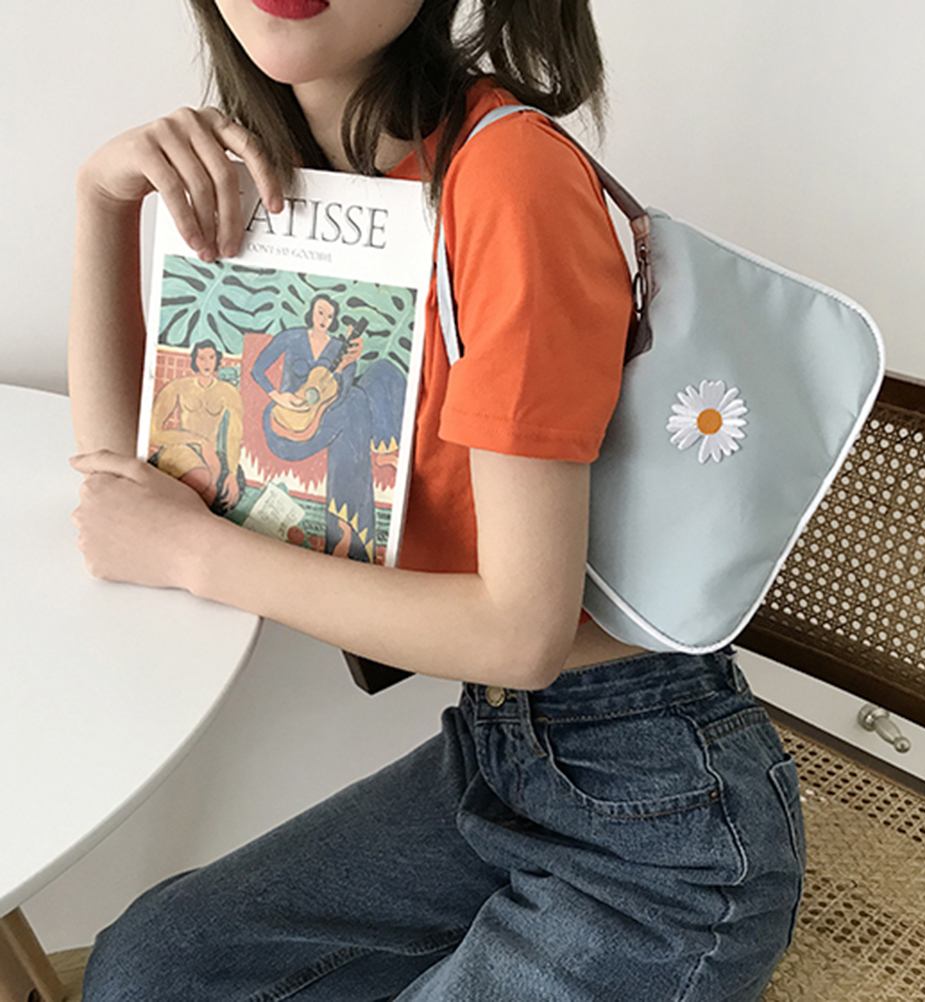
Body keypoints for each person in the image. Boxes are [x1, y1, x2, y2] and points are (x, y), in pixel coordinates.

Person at [68, 1, 806, 998]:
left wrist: (192, 551)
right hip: (496, 760)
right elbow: (122, 497)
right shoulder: (297, 190)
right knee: (146, 970)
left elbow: (522, 632)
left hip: (658, 824)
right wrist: (101, 200)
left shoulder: (505, 176)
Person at [250, 293, 405, 561]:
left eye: (330, 316)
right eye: (320, 312)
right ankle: (349, 532)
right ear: (311, 311)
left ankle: (347, 525)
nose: (324, 319)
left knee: (381, 374)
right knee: (355, 404)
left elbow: (339, 394)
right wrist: (278, 396)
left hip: (323, 418)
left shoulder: (337, 348)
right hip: (286, 425)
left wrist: (346, 365)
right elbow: (258, 370)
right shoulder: (292, 337)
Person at [148, 339, 244, 512]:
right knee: (201, 479)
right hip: (181, 447)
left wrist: (232, 472)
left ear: (217, 360)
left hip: (211, 454)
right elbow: (154, 433)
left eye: (211, 357)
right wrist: (198, 440)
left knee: (217, 497)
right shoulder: (178, 386)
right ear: (194, 361)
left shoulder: (228, 392)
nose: (207, 363)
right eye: (202, 358)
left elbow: (234, 435)